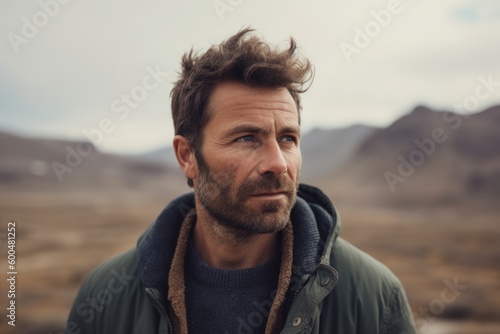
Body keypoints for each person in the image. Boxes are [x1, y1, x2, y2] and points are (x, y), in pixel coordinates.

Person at [66, 28, 416, 334]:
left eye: (288, 139)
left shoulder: (375, 298)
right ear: (188, 156)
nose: (278, 164)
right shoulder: (104, 296)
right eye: (246, 138)